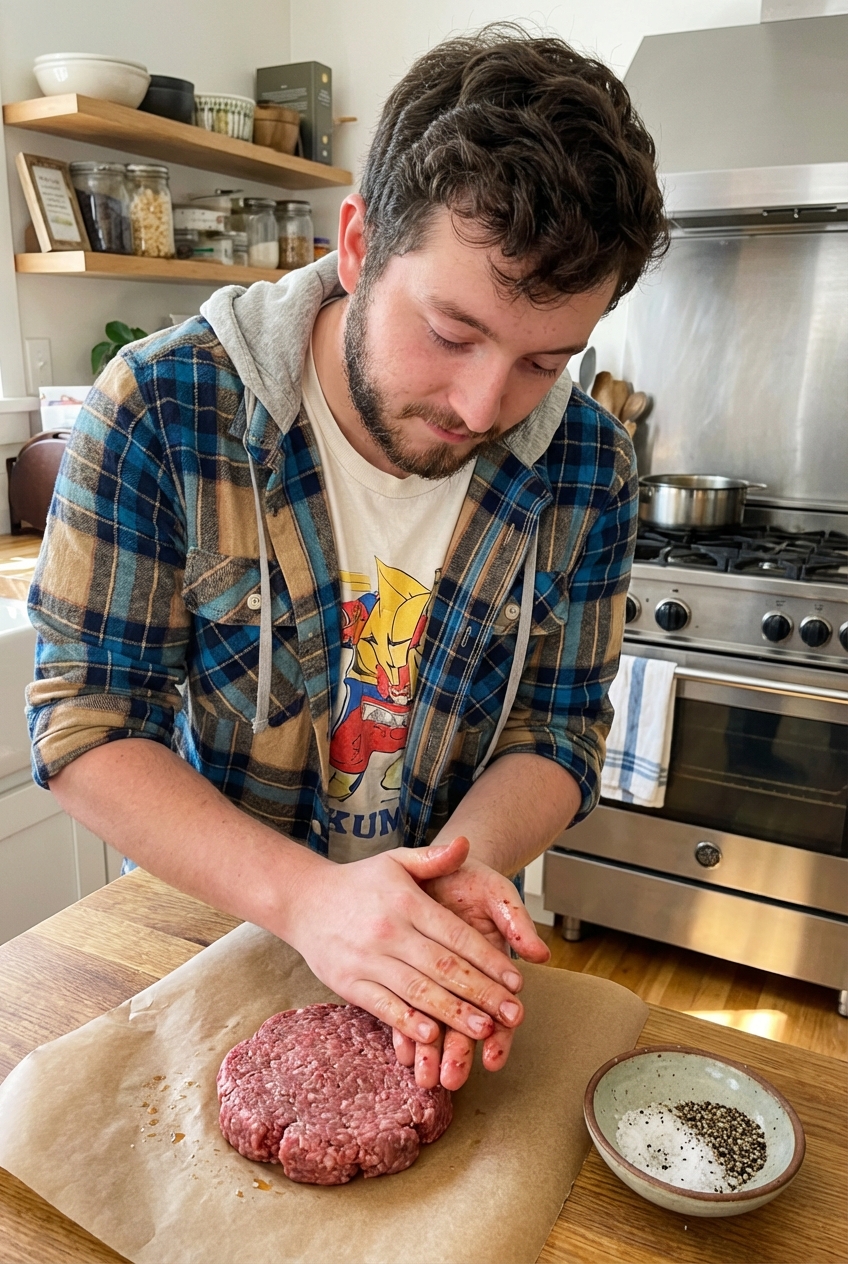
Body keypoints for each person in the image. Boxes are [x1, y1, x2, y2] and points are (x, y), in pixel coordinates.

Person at [26, 26, 667, 1093]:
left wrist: (457, 877)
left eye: (543, 362)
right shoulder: (161, 409)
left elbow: (556, 725)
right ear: (360, 243)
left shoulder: (587, 463)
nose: (481, 407)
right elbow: (85, 723)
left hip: (436, 950)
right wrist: (310, 900)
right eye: (452, 332)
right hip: (203, 933)